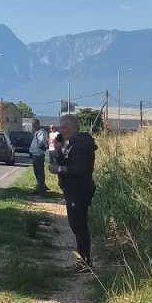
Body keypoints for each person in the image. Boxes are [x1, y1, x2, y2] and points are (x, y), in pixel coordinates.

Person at [51, 112, 96, 272]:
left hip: (79, 190)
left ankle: (85, 263)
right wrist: (56, 150)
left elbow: (81, 169)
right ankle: (83, 261)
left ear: (71, 128)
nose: (60, 131)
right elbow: (60, 158)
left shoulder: (81, 144)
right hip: (72, 189)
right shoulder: (70, 143)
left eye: (63, 127)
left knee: (79, 226)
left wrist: (60, 169)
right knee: (76, 226)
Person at [29, 123, 50, 194]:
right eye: (33, 125)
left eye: (34, 125)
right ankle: (41, 186)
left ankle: (40, 189)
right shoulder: (38, 132)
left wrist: (37, 147)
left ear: (37, 124)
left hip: (38, 154)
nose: (33, 126)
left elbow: (41, 142)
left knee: (39, 172)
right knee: (38, 172)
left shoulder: (41, 132)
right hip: (36, 153)